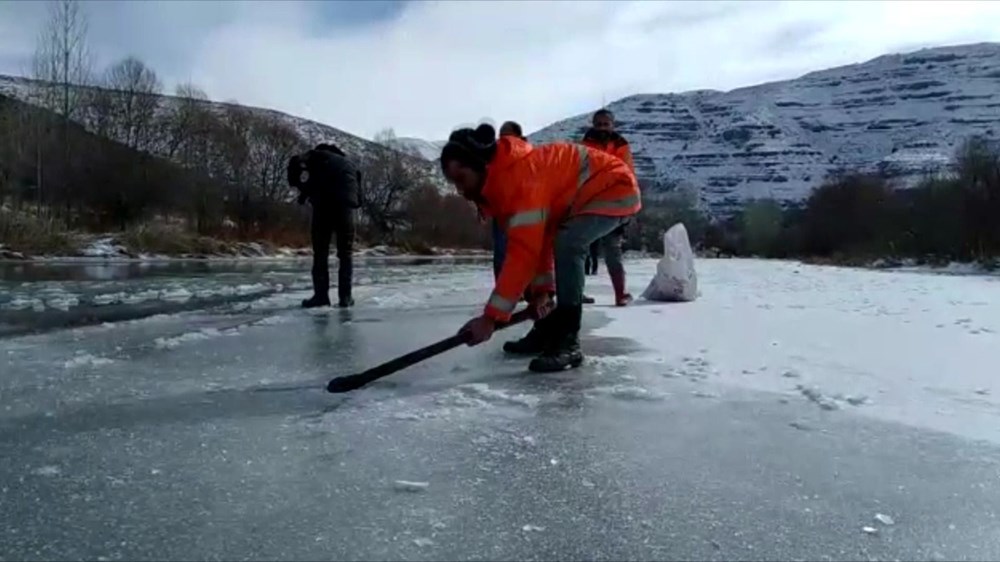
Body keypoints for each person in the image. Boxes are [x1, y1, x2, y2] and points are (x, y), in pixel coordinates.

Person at [440, 124, 641, 372]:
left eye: (461, 179)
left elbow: (523, 254)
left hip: (614, 187)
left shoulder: (520, 181)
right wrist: (542, 293)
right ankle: (547, 330)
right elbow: (539, 242)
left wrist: (491, 318)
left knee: (568, 244)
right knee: (557, 241)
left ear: (480, 165)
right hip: (587, 195)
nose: (460, 190)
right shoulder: (503, 185)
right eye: (453, 183)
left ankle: (568, 341)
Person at [287, 142, 361, 308]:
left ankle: (321, 297)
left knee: (320, 254)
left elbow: (295, 162)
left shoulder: (317, 155)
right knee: (346, 255)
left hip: (324, 207)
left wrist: (298, 185)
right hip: (346, 210)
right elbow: (358, 192)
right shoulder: (349, 164)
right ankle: (345, 297)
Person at [581, 108, 636, 306]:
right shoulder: (584, 146)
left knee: (613, 250)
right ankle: (576, 291)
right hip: (588, 203)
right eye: (599, 124)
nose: (602, 128)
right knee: (580, 249)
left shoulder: (622, 146)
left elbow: (628, 175)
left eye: (606, 124)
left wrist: (628, 207)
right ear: (593, 125)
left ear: (613, 125)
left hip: (614, 205)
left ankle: (620, 294)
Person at [491, 121, 530, 280]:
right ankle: (503, 286)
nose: (503, 139)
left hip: (524, 209)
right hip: (502, 210)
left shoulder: (529, 154)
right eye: (501, 135)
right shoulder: (495, 154)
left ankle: (520, 286)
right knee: (502, 251)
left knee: (519, 251)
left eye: (506, 135)